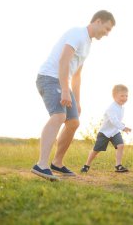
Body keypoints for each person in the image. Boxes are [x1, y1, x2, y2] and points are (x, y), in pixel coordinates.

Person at [31, 10, 116, 181]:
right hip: (49, 77)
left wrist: (77, 100)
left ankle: (57, 162)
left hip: (61, 81)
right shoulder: (77, 34)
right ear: (98, 21)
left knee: (73, 122)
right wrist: (64, 90)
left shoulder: (88, 44)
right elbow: (63, 60)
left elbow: (77, 74)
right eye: (106, 29)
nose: (107, 34)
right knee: (59, 116)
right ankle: (41, 164)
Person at [81, 84, 131, 173]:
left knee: (120, 145)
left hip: (115, 132)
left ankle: (118, 165)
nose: (124, 98)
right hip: (105, 133)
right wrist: (123, 127)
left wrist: (121, 125)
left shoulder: (121, 108)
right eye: (122, 96)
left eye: (126, 96)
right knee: (96, 150)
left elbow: (117, 121)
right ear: (114, 96)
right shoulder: (111, 108)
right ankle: (86, 165)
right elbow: (113, 121)